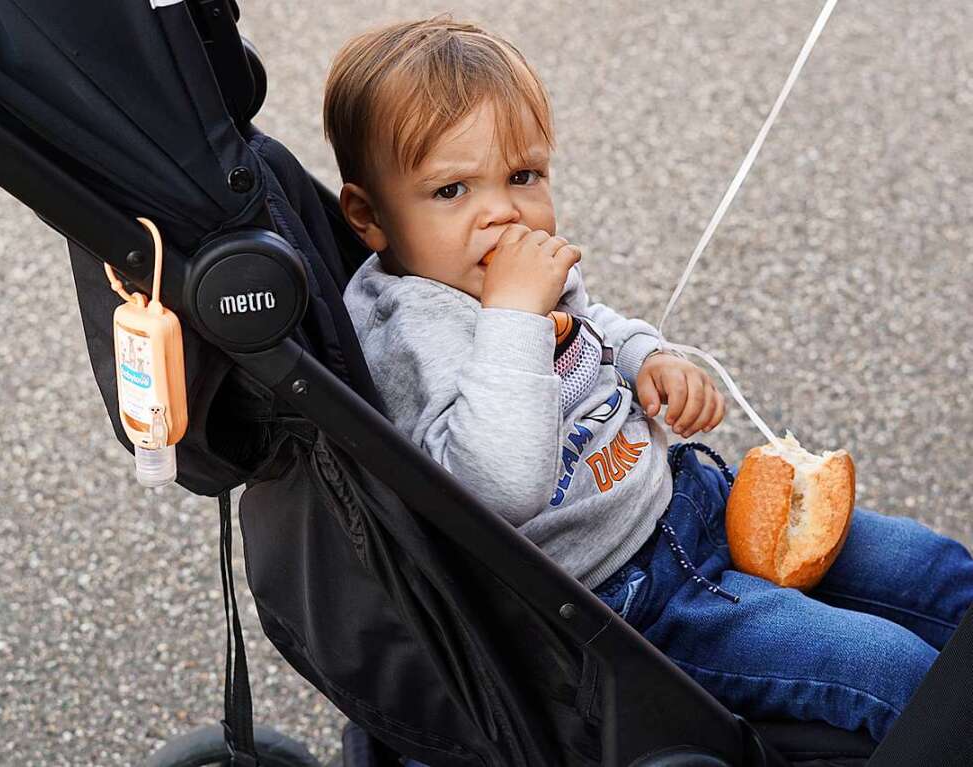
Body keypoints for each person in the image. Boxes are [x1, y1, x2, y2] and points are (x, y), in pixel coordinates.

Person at [325, 16, 973, 742]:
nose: (501, 210)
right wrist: (513, 310)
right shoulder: (416, 326)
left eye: (522, 176)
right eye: (450, 190)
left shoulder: (503, 267)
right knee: (887, 670)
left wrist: (649, 359)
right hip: (630, 601)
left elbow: (592, 319)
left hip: (692, 499)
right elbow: (499, 482)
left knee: (932, 570)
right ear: (368, 215)